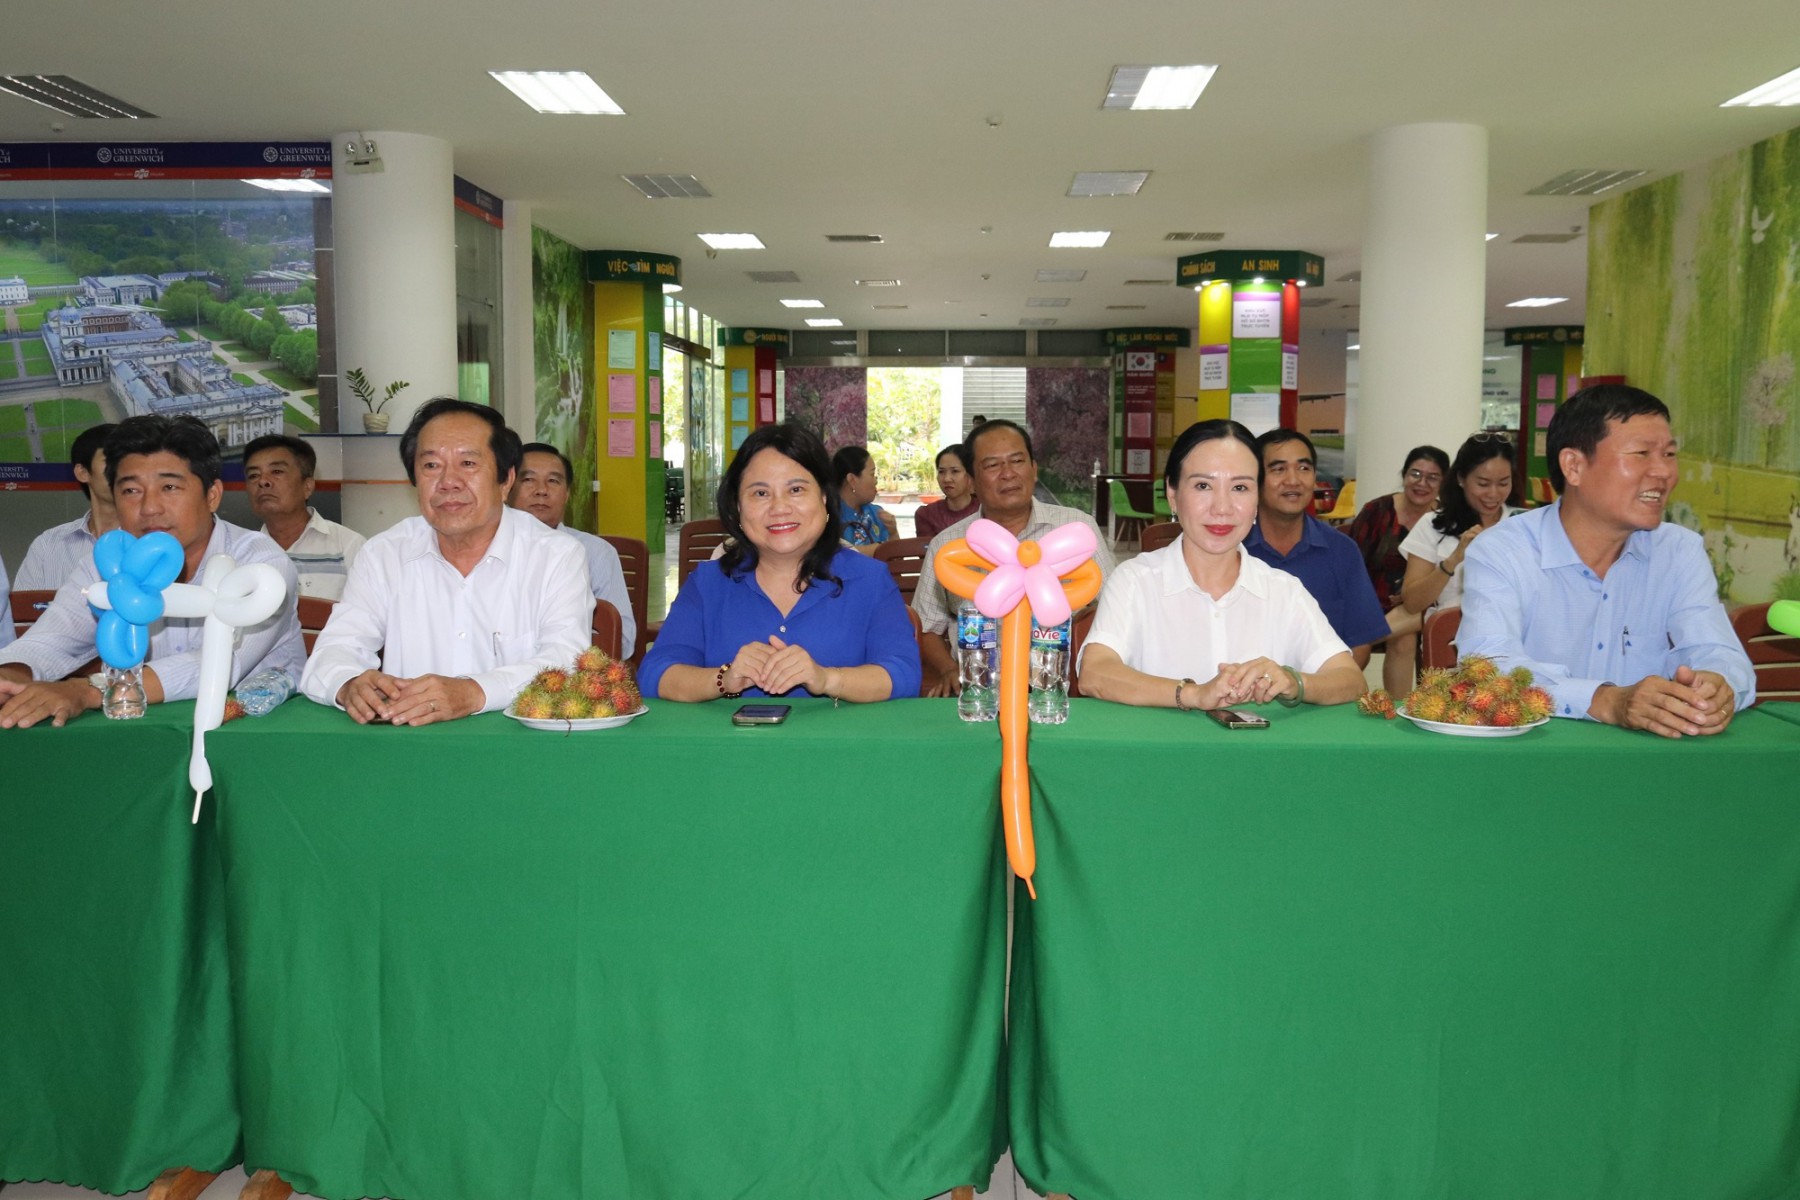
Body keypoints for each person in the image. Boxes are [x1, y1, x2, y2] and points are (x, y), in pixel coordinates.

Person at [1460, 384, 1754, 735]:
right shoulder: (1503, 551)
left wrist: (1717, 686)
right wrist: (1606, 700)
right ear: (1574, 466)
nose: (1663, 473)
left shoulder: (1679, 551)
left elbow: (1722, 655)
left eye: (1670, 455)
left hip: (1647, 765)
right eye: (1642, 453)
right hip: (1534, 760)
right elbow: (1488, 671)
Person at [300, 398, 593, 725]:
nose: (448, 481)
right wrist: (349, 683)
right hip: (412, 750)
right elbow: (332, 653)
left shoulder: (556, 555)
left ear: (506, 480)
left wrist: (474, 692)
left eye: (468, 463)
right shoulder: (385, 553)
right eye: (431, 466)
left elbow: (567, 663)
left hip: (519, 752)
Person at [0, 415, 303, 729]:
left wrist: (90, 689)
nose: (149, 508)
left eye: (169, 487)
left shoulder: (260, 564)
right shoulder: (107, 563)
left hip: (252, 735)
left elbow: (220, 662)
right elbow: (53, 637)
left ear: (212, 495)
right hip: (140, 731)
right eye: (131, 491)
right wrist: (11, 675)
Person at [1078, 420, 1365, 710]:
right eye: (1203, 485)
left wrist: (1295, 682)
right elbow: (1095, 673)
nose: (1222, 508)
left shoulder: (1284, 590)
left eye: (1240, 487)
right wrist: (1194, 694)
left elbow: (1351, 680)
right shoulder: (1135, 581)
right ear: (1173, 494)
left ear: (1256, 499)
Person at [641, 422, 920, 702]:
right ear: (738, 506)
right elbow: (655, 674)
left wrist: (825, 678)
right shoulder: (708, 583)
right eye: (760, 493)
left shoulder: (869, 579)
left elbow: (904, 675)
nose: (779, 507)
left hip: (839, 744)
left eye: (796, 490)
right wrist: (724, 678)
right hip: (733, 746)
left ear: (824, 498)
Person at [912, 419, 1116, 697]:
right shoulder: (948, 545)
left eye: (1017, 461)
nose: (1008, 474)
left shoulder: (1076, 530)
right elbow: (926, 627)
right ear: (971, 481)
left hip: (1058, 691)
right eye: (992, 465)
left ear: (1034, 469)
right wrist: (949, 669)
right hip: (980, 691)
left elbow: (1113, 612)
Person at [1244, 428, 1390, 668]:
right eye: (1278, 469)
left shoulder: (1342, 551)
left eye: (1304, 468)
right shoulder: (1231, 549)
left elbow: (1359, 644)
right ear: (1255, 478)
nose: (1293, 480)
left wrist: (1324, 690)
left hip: (1320, 696)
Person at [508, 441, 636, 658]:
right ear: (506, 487)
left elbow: (622, 642)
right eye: (528, 479)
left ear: (567, 494)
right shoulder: (482, 551)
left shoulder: (597, 553)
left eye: (553, 481)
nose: (541, 491)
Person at [1346, 445, 1449, 695]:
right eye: (1415, 474)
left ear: (1443, 483)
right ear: (1404, 475)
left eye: (1432, 477)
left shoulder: (1445, 519)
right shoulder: (1377, 511)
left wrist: (1411, 591)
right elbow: (1351, 562)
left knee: (1407, 629)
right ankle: (1396, 708)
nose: (1421, 483)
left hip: (1423, 605)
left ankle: (1361, 642)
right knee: (1404, 635)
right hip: (1372, 602)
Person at [1398, 433, 1524, 618]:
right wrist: (1454, 559)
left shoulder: (1522, 524)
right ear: (1461, 479)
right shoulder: (1432, 525)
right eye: (1483, 484)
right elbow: (1412, 603)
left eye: (1503, 483)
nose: (1493, 493)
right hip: (1449, 638)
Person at [242, 433, 366, 601]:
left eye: (277, 471)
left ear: (307, 486)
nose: (263, 481)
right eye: (253, 475)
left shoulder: (349, 546)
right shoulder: (242, 553)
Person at [16, 422, 119, 590]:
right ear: (83, 473)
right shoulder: (48, 545)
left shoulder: (152, 541)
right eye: (112, 460)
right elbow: (25, 613)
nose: (123, 470)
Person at [832, 445, 896, 549]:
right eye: (872, 474)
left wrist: (893, 532)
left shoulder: (877, 513)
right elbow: (830, 556)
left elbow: (897, 558)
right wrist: (877, 549)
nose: (876, 480)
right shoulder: (827, 517)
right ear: (852, 480)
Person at [912, 443, 976, 541]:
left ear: (970, 475)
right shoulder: (926, 515)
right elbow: (928, 553)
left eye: (955, 471)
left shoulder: (987, 511)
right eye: (941, 472)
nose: (946, 479)